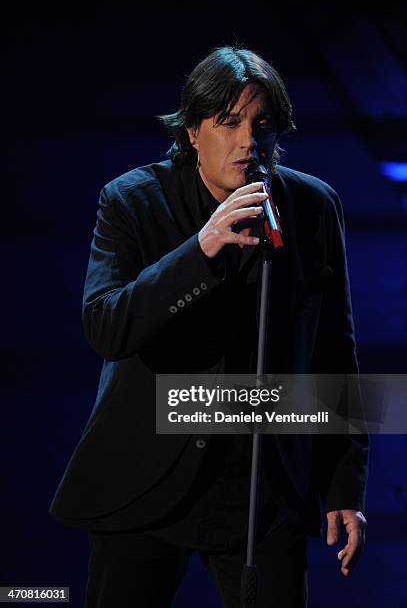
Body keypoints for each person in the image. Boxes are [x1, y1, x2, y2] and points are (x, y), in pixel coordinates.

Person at [49, 46, 369, 607]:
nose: (248, 141)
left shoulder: (313, 207)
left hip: (261, 488)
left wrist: (343, 485)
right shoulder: (131, 202)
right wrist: (200, 251)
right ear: (193, 131)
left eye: (262, 125)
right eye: (229, 123)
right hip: (147, 480)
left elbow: (334, 351)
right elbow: (106, 328)